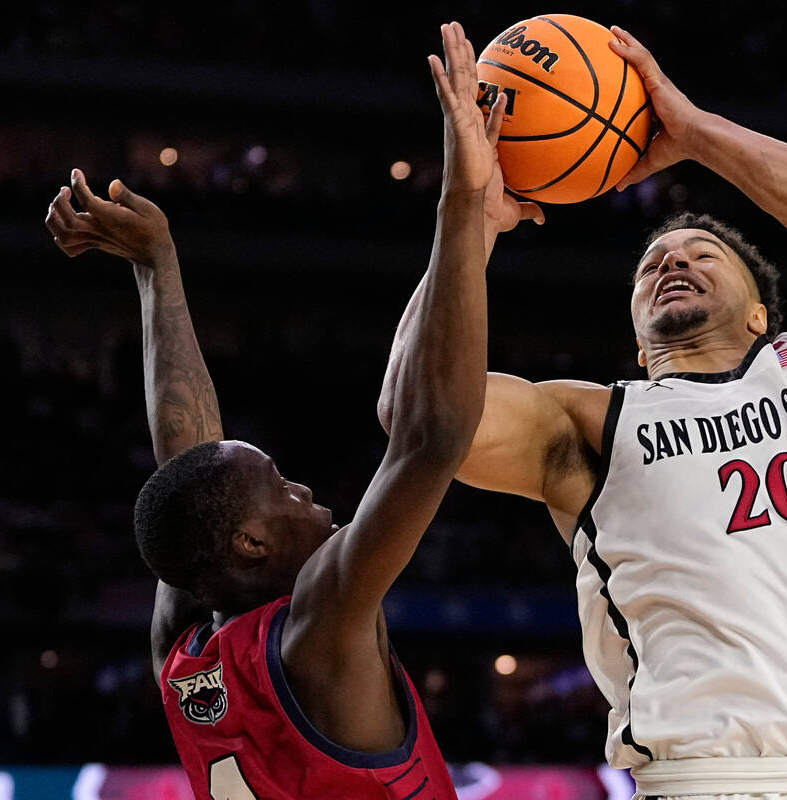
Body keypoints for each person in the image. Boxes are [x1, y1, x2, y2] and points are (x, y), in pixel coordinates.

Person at [381, 23, 787, 800]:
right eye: (652, 266)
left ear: (761, 315)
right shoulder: (587, 426)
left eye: (702, 255)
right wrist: (469, 212)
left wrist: (694, 134)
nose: (673, 260)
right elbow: (419, 417)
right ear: (639, 346)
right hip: (706, 780)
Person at [44, 22, 534, 800]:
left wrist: (156, 266)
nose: (311, 495)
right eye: (285, 490)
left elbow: (187, 464)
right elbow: (432, 440)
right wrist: (461, 202)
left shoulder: (186, 655)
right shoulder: (321, 631)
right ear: (248, 542)